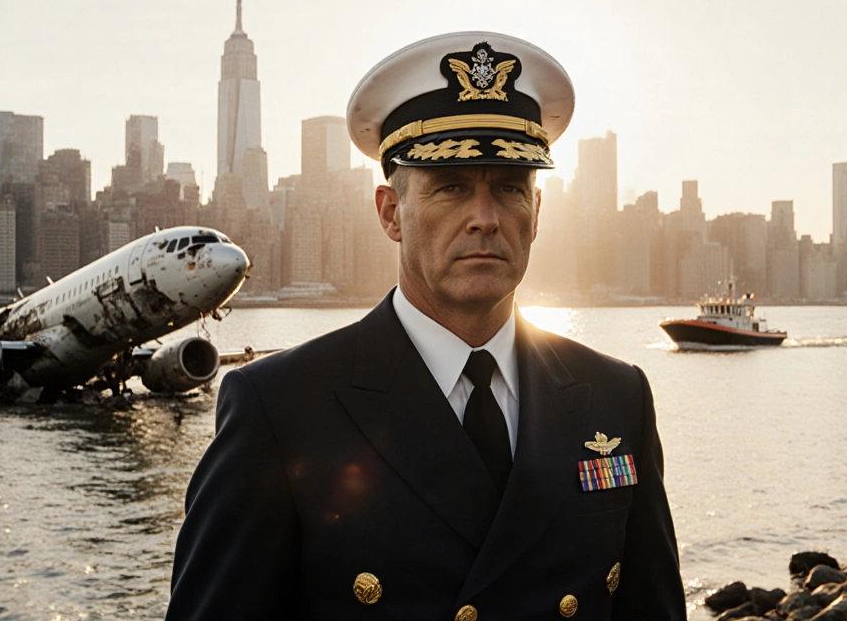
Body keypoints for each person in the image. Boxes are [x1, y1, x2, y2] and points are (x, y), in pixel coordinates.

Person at [167, 31, 685, 620]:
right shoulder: (281, 409)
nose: (485, 219)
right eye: (451, 188)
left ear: (537, 214)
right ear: (391, 213)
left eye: (511, 188)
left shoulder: (617, 399)